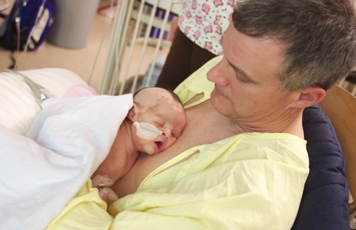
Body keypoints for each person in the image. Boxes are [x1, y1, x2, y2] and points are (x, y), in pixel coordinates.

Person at [47, 0, 356, 229]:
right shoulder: (228, 81)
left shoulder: (250, 192)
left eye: (242, 76)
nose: (213, 75)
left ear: (305, 96)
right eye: (223, 52)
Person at [91, 87, 186, 206]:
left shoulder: (138, 154)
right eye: (160, 123)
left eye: (174, 134)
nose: (167, 134)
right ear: (132, 113)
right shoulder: (115, 131)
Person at [155, 0, 234, 90]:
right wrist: (180, 14)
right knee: (163, 90)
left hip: (220, 40)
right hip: (190, 19)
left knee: (195, 97)